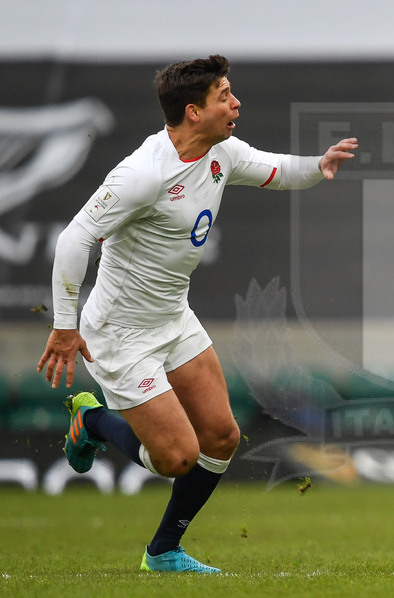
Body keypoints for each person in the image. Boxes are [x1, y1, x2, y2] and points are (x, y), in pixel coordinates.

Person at [37, 55, 357, 573]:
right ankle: (90, 420)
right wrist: (64, 326)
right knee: (176, 458)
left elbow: (276, 169)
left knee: (223, 437)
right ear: (193, 111)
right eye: (224, 96)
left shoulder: (221, 152)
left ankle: (163, 551)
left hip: (173, 318)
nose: (236, 103)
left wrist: (318, 167)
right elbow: (75, 238)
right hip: (121, 333)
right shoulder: (144, 174)